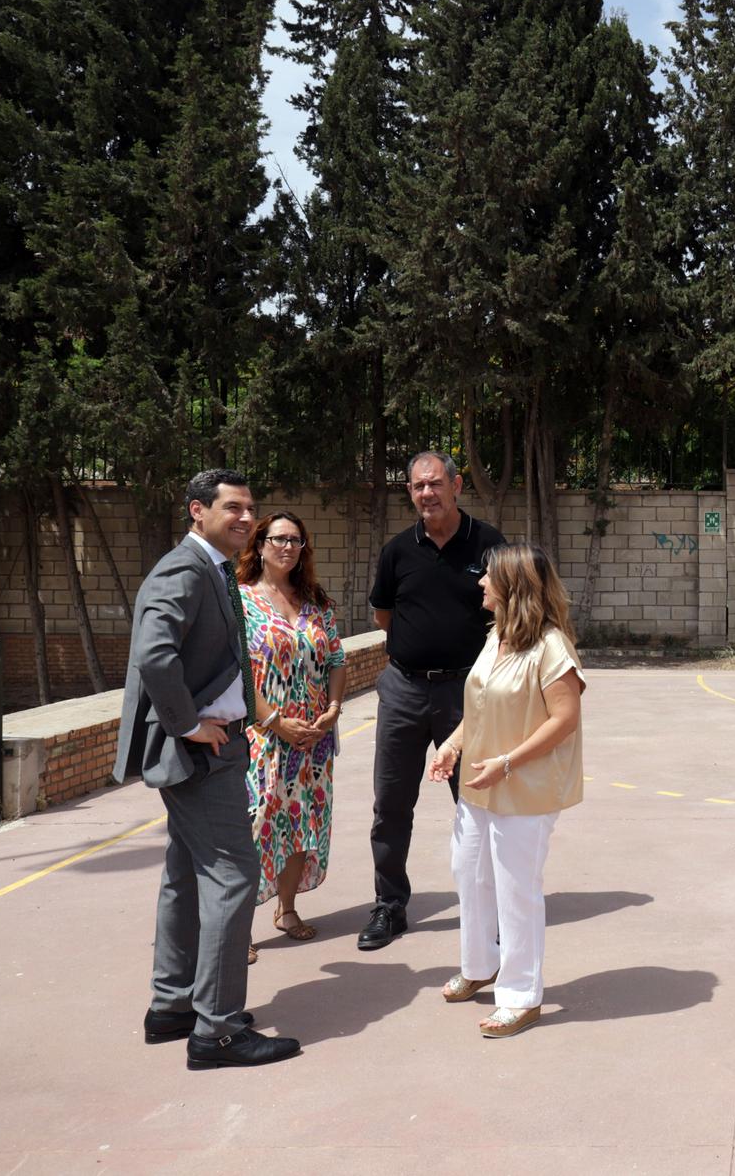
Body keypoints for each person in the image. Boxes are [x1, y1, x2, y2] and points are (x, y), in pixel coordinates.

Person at [112, 469, 300, 1069]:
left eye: (251, 508)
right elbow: (154, 654)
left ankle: (172, 1007)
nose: (246, 518)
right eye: (233, 508)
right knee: (233, 875)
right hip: (201, 752)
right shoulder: (183, 569)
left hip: (214, 746)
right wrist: (187, 723)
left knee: (185, 875)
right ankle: (217, 1030)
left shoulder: (211, 567)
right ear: (198, 510)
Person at [427, 544, 586, 1038]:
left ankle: (520, 995)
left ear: (513, 586)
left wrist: (508, 762)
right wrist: (452, 745)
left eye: (488, 577)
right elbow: (478, 710)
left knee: (516, 889)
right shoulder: (497, 635)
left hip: (524, 787)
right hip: (480, 781)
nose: (479, 584)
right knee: (468, 874)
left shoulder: (551, 646)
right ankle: (480, 965)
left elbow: (565, 719)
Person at [360, 450, 506, 951]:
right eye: (418, 486)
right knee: (391, 803)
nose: (427, 493)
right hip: (402, 689)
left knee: (476, 802)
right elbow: (384, 616)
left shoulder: (488, 544)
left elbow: (507, 614)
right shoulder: (398, 550)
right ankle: (390, 905)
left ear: (457, 484)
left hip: (467, 693)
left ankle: (489, 910)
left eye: (435, 483)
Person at [236, 512, 347, 964]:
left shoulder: (316, 601)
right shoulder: (239, 601)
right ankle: (236, 927)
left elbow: (336, 658)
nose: (287, 546)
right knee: (256, 825)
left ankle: (287, 910)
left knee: (304, 823)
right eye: (278, 538)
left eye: (295, 540)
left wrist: (333, 711)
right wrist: (276, 721)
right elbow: (236, 671)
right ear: (259, 545)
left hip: (314, 738)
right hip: (264, 734)